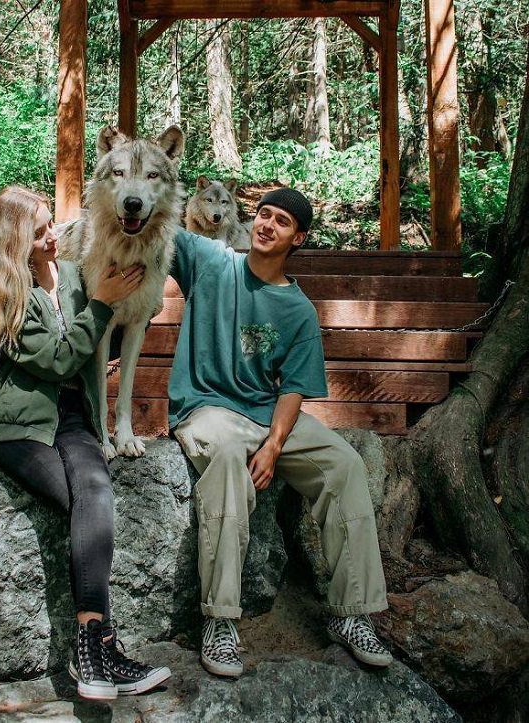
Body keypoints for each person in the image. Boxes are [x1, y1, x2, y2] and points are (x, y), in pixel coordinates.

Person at [169, 188, 392, 678]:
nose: (267, 225)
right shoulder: (212, 263)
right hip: (206, 409)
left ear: (299, 237)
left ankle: (352, 613)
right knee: (227, 457)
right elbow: (154, 223)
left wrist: (273, 445)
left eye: (282, 221)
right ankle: (221, 621)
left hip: (264, 415)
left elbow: (293, 389)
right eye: (263, 215)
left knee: (344, 465)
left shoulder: (299, 311)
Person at [0, 185, 171, 700]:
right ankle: (99, 652)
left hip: (73, 416)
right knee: (78, 501)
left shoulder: (74, 275)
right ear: (14, 244)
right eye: (39, 233)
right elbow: (57, 358)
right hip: (19, 428)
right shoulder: (4, 294)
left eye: (51, 224)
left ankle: (93, 648)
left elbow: (112, 330)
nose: (53, 236)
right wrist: (102, 304)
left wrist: (136, 299)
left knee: (96, 491)